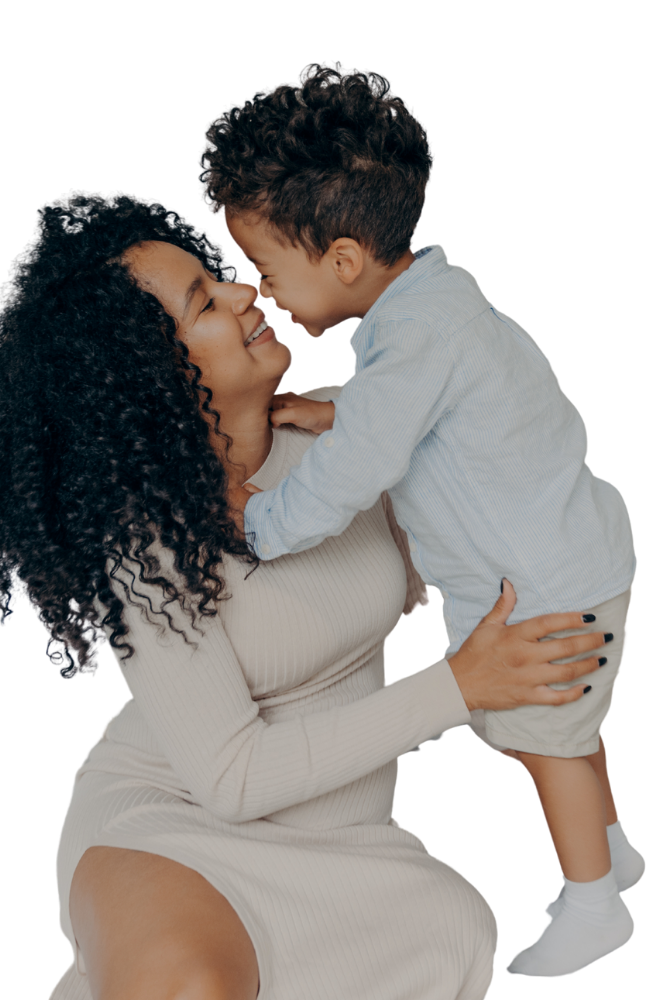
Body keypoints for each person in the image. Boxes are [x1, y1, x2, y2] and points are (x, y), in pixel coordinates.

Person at [212, 65, 644, 979]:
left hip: (546, 586)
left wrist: (262, 524)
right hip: (573, 554)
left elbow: (351, 478)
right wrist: (337, 412)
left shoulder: (412, 341)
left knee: (543, 741)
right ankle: (614, 845)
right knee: (572, 732)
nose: (265, 294)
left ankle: (594, 902)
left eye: (264, 272)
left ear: (339, 260)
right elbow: (452, 415)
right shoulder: (435, 308)